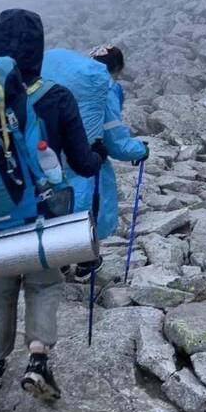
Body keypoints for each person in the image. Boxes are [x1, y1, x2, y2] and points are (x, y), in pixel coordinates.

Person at [0, 8, 108, 400]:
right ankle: (37, 360)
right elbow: (83, 163)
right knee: (44, 283)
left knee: (0, 289)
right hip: (42, 208)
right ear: (39, 49)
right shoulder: (57, 96)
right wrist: (99, 154)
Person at [72, 44, 149, 282]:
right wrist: (140, 149)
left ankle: (57, 259)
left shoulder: (67, 83)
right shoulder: (106, 90)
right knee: (90, 204)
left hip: (53, 155)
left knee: (61, 202)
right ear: (116, 70)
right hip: (89, 157)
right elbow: (115, 140)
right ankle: (86, 261)